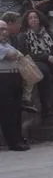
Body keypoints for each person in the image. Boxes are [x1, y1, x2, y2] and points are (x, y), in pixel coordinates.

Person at [0, 19, 29, 151]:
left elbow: (19, 55)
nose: (4, 32)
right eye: (1, 29)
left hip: (14, 77)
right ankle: (13, 142)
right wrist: (17, 55)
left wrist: (17, 55)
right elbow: (12, 55)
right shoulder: (5, 47)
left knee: (16, 110)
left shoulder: (7, 44)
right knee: (8, 111)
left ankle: (18, 138)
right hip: (3, 77)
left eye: (5, 29)